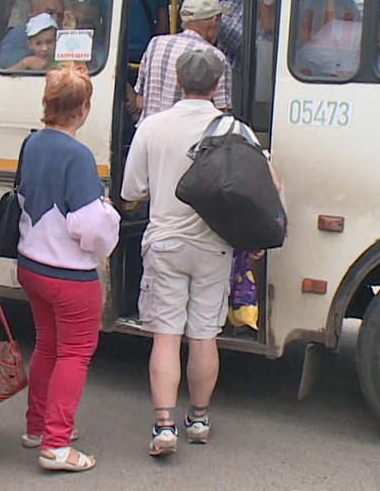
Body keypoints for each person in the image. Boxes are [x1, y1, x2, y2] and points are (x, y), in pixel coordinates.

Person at [121, 46, 280, 457]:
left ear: (178, 81)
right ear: (216, 85)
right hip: (215, 247)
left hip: (165, 245)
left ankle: (163, 426)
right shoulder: (236, 130)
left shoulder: (153, 126)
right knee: (204, 336)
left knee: (166, 336)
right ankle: (199, 418)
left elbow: (131, 190)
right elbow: (270, 187)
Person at [17, 66, 119, 472]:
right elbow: (89, 225)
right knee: (75, 354)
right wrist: (109, 214)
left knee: (46, 345)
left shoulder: (32, 143)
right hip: (68, 272)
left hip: (31, 263)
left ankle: (37, 427)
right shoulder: (78, 155)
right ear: (84, 108)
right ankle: (56, 444)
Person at [132, 0, 232, 122]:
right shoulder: (216, 58)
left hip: (148, 136)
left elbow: (140, 101)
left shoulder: (155, 44)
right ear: (213, 21)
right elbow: (220, 116)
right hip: (190, 140)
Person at [0, 0, 63, 68]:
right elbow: (2, 75)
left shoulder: (63, 38)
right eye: (49, 13)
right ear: (31, 11)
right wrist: (25, 63)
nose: (56, 19)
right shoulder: (18, 35)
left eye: (60, 15)